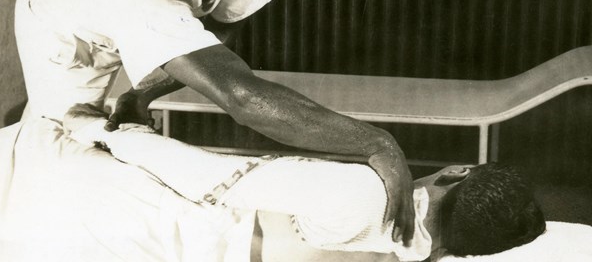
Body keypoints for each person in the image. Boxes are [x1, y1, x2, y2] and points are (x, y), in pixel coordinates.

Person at [14, 0, 415, 242]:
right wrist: (376, 142)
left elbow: (221, 24)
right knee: (64, 140)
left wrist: (142, 93)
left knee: (116, 128)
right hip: (64, 21)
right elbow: (239, 96)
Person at [62, 104, 547, 262]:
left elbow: (206, 180)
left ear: (458, 171)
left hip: (142, 222)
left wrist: (109, 132)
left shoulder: (363, 195)